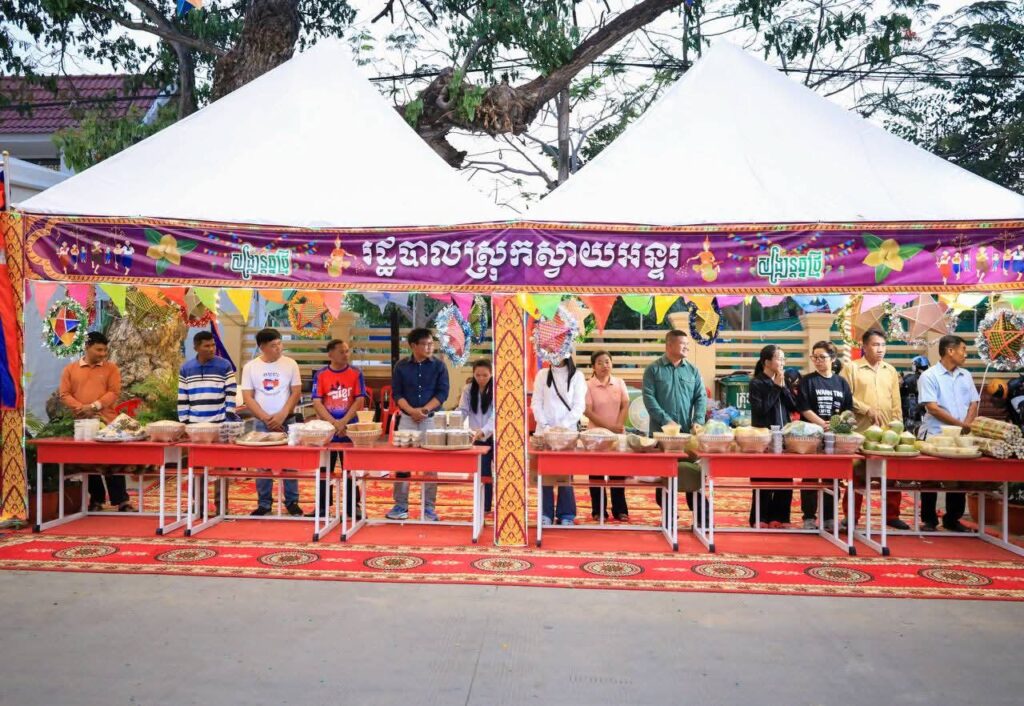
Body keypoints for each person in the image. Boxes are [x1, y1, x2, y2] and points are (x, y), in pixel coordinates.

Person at [841, 328, 908, 529]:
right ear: (864, 346)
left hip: (887, 432)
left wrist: (898, 427)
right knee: (857, 477)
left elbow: (896, 402)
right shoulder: (852, 368)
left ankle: (892, 515)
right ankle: (851, 516)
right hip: (861, 431)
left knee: (892, 476)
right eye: (875, 345)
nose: (880, 349)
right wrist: (866, 409)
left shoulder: (890, 370)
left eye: (883, 345)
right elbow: (845, 396)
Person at [59, 331, 132, 512]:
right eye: (99, 350)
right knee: (89, 461)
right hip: (82, 423)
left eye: (104, 350)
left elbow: (114, 392)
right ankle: (96, 500)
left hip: (107, 421)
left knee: (112, 461)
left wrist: (94, 406)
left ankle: (122, 501)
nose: (102, 354)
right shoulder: (70, 369)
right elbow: (64, 394)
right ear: (87, 347)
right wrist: (80, 408)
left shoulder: (111, 369)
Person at [642, 329, 708, 525]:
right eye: (682, 344)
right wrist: (666, 421)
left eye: (687, 344)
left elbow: (701, 397)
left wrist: (698, 419)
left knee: (692, 474)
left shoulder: (693, 370)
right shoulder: (653, 370)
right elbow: (649, 398)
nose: (687, 347)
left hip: (687, 434)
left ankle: (702, 518)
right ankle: (669, 516)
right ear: (669, 345)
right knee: (665, 474)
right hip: (661, 435)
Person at [917, 335, 979, 532]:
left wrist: (967, 424)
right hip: (935, 433)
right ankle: (929, 519)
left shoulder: (966, 375)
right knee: (930, 477)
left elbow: (974, 402)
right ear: (950, 351)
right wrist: (960, 424)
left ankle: (953, 518)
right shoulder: (929, 376)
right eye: (963, 349)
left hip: (961, 434)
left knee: (958, 476)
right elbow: (933, 408)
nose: (966, 354)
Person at [387, 328, 450, 521]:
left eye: (431, 343)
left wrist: (424, 410)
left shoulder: (439, 366)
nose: (430, 347)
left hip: (430, 419)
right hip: (407, 419)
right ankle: (400, 505)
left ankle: (429, 507)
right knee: (402, 462)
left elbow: (442, 393)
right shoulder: (401, 366)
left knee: (430, 465)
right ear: (413, 346)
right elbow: (397, 393)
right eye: (425, 344)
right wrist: (411, 411)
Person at [240, 328, 303, 517]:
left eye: (280, 344)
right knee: (262, 464)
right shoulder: (250, 367)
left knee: (290, 463)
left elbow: (296, 392)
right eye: (274, 345)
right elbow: (248, 397)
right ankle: (264, 503)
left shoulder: (291, 364)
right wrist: (265, 417)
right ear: (262, 347)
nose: (279, 348)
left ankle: (292, 502)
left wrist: (282, 415)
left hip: (287, 420)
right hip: (262, 422)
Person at [797, 341, 853, 531]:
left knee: (833, 477)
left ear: (833, 358)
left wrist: (838, 424)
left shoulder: (841, 383)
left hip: (835, 437)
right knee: (810, 477)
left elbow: (848, 410)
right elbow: (804, 407)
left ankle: (829, 517)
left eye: (822, 357)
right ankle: (808, 517)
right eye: (815, 357)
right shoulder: (808, 380)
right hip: (811, 436)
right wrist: (822, 424)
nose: (818, 360)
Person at [309, 339, 367, 519]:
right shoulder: (321, 375)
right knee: (324, 470)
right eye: (342, 351)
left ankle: (353, 506)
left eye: (347, 351)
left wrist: (344, 422)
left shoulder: (356, 373)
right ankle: (322, 507)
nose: (346, 354)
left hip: (349, 430)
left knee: (350, 469)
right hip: (328, 431)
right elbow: (317, 401)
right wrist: (334, 423)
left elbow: (359, 400)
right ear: (330, 354)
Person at [532, 354, 587, 526]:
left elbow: (579, 406)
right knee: (544, 473)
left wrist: (561, 427)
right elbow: (536, 403)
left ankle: (567, 514)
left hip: (567, 434)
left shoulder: (577, 376)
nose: (554, 355)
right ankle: (545, 513)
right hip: (544, 432)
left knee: (566, 473)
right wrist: (546, 426)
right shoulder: (542, 374)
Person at [749, 345, 799, 528]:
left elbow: (794, 407)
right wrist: (776, 387)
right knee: (762, 477)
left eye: (784, 359)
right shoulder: (756, 383)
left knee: (785, 477)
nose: (782, 362)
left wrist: (783, 387)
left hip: (783, 435)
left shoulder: (783, 380)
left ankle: (781, 517)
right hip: (763, 436)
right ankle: (760, 517)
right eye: (779, 358)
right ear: (767, 362)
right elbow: (761, 410)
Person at [584, 350, 630, 521]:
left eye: (607, 362)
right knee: (596, 473)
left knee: (618, 472)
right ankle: (598, 510)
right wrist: (609, 427)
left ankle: (620, 510)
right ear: (593, 367)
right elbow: (587, 411)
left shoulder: (619, 382)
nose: (604, 365)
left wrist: (618, 426)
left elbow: (625, 404)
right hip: (595, 436)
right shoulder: (588, 385)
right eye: (600, 363)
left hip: (617, 435)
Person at [458, 359, 495, 513]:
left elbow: (496, 414)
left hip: (495, 435)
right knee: (483, 472)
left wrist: (485, 430)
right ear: (473, 374)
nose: (481, 378)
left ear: (491, 374)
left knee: (502, 471)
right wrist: (454, 424)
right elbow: (463, 410)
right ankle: (484, 506)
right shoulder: (468, 389)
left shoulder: (497, 388)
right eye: (477, 375)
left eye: (485, 375)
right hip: (478, 437)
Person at [177, 331, 237, 424]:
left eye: (213, 345)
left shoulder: (225, 365)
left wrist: (229, 416)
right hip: (194, 423)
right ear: (196, 348)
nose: (212, 349)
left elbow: (231, 393)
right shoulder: (186, 369)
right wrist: (184, 420)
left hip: (219, 422)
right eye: (207, 346)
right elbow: (183, 397)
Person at [899, 355, 930, 435]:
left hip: (910, 407)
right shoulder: (930, 377)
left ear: (916, 365)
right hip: (923, 408)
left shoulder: (909, 378)